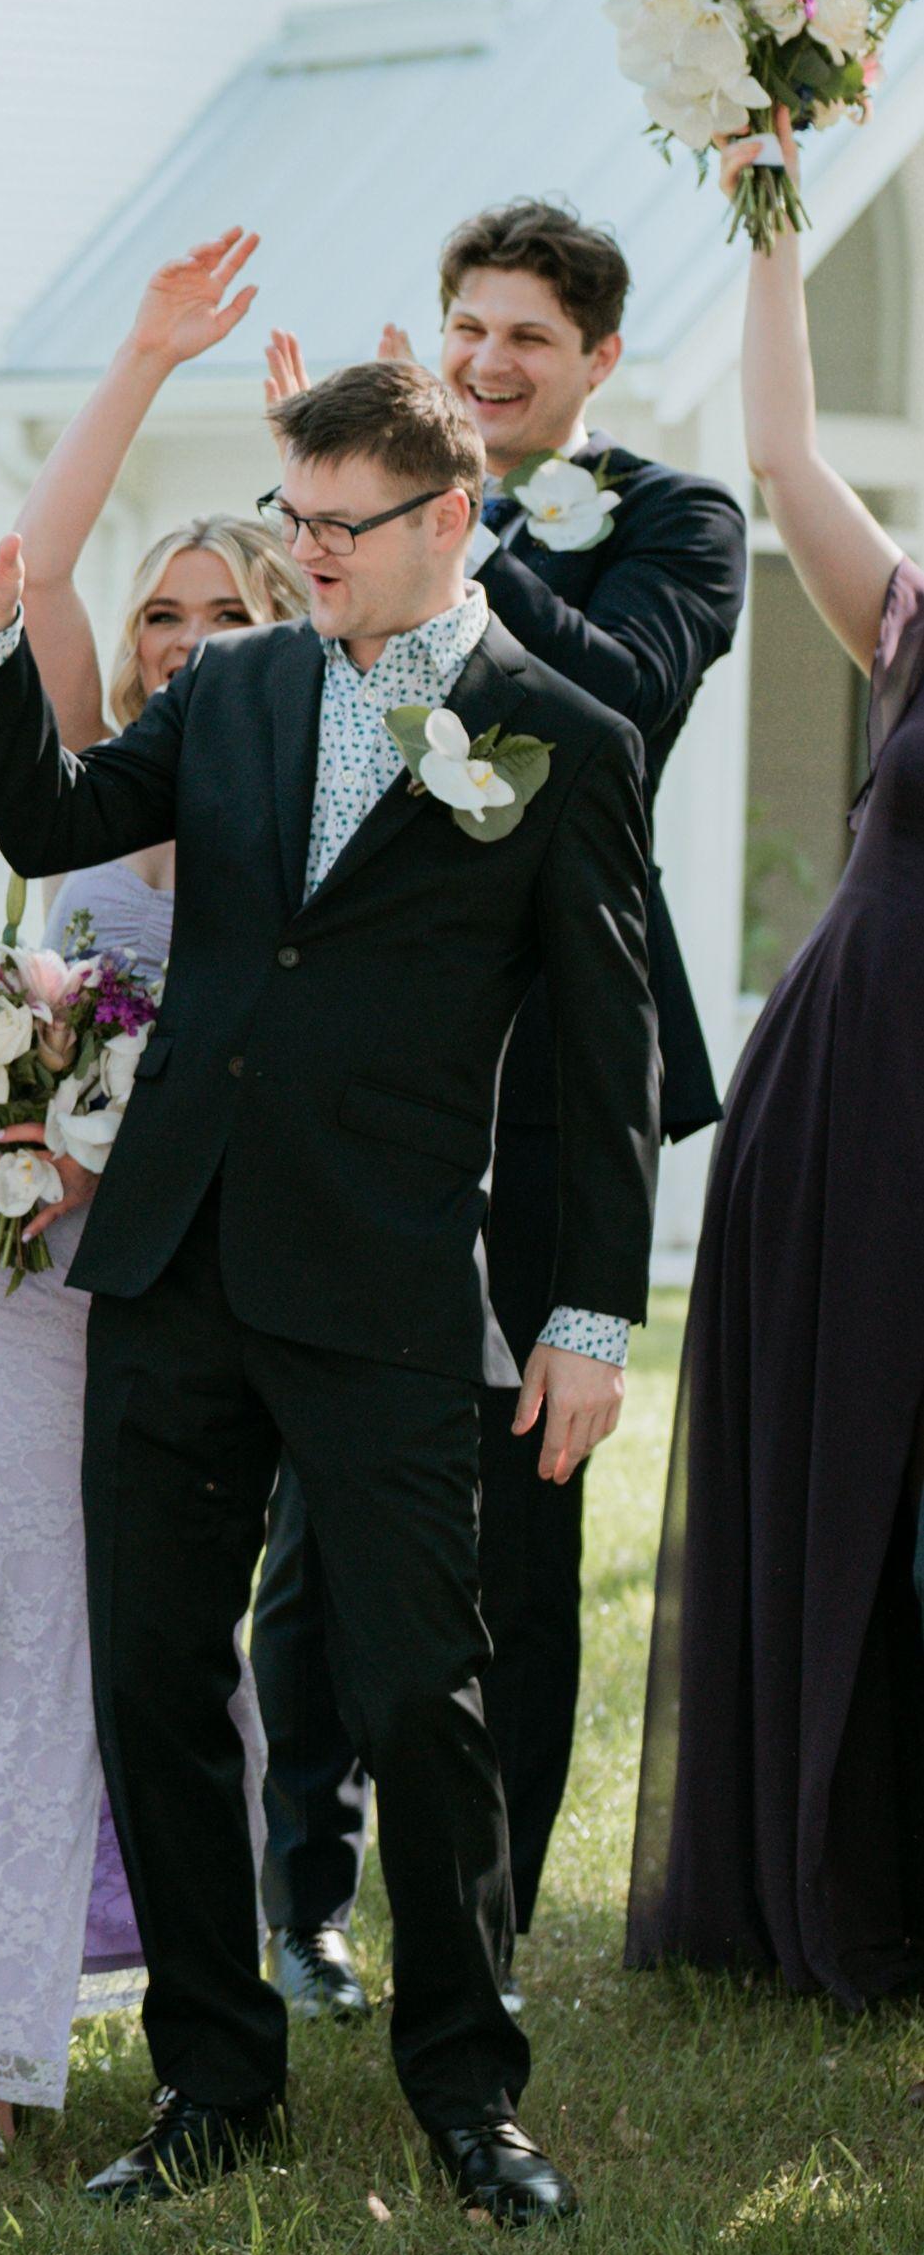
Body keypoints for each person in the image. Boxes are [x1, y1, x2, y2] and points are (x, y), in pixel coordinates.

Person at [0, 355, 658, 2225]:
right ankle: (211, 2082)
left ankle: (468, 2093)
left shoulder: (563, 738)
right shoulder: (233, 688)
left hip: (386, 1281)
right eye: (294, 518)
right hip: (171, 1262)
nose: (307, 553)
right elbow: (49, 821)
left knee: (421, 1695)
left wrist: (584, 1319)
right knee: (158, 1678)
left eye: (341, 526)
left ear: (446, 519)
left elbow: (605, 1057)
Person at [252, 205, 745, 2019]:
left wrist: (450, 535)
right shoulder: (367, 515)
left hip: (549, 1086)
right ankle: (304, 1899)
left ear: (597, 356)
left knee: (519, 1530)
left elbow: (616, 694)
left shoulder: (680, 524)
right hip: (365, 1083)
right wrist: (360, 520)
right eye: (464, 327)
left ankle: (485, 1920)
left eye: (526, 336)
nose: (484, 359)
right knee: (318, 1508)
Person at [0, 237, 301, 2158]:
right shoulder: (98, 775)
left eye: (229, 613)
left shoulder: (309, 805)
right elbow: (31, 580)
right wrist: (138, 360)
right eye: (165, 613)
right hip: (11, 1262)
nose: (182, 643)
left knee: (156, 1640)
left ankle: (202, 1981)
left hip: (178, 1280)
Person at [629, 120, 924, 2003]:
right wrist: (768, 218)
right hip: (865, 1091)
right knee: (853, 1486)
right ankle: (838, 1872)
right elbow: (784, 453)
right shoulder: (910, 619)